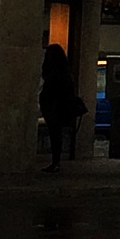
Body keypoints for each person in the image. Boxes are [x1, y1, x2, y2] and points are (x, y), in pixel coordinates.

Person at [39, 42, 84, 172]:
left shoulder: (52, 75)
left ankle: (55, 162)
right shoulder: (65, 74)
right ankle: (56, 161)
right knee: (56, 134)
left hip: (53, 106)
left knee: (54, 133)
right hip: (59, 106)